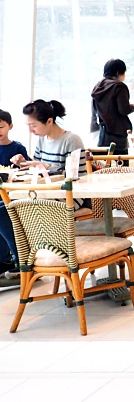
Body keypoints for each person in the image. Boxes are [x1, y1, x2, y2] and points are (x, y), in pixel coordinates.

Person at [0, 100, 89, 273]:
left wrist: (49, 167)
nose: (31, 131)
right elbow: (38, 168)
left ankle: (22, 261)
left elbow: (79, 177)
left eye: (33, 125)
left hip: (70, 196)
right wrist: (25, 163)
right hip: (45, 193)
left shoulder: (71, 140)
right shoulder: (42, 140)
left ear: (49, 121)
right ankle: (13, 260)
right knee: (2, 208)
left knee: (4, 211)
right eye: (28, 125)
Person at [91, 58, 134, 151]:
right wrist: (132, 107)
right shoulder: (119, 86)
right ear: (118, 73)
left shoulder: (98, 87)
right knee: (122, 165)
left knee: (104, 164)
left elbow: (94, 110)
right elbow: (124, 110)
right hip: (118, 134)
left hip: (102, 135)